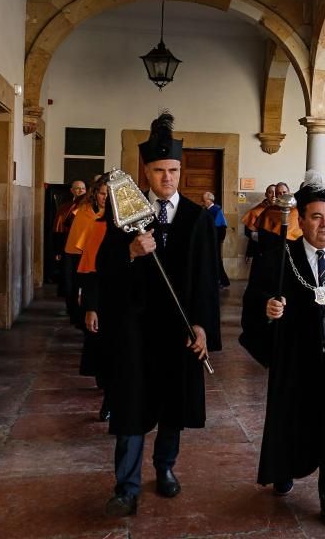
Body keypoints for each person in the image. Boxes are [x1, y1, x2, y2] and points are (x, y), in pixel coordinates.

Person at [96, 112, 221, 517]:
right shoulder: (125, 216)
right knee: (131, 406)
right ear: (145, 173)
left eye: (174, 170)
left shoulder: (196, 219)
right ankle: (126, 486)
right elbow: (104, 265)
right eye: (159, 170)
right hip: (135, 327)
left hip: (178, 328)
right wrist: (130, 252)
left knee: (173, 404)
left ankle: (165, 467)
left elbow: (207, 278)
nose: (168, 177)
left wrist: (201, 326)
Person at [239, 177, 325, 528]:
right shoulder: (277, 259)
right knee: (292, 420)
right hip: (296, 361)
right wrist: (267, 312)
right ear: (301, 220)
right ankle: (284, 467)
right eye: (316, 217)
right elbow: (252, 307)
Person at [69, 175, 110, 420]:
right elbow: (87, 267)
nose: (107, 198)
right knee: (102, 345)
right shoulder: (93, 222)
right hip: (102, 296)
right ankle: (108, 394)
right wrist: (90, 305)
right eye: (103, 193)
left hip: (128, 298)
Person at [53, 179, 87, 300]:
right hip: (67, 245)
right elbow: (58, 229)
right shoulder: (64, 208)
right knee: (68, 277)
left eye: (83, 189)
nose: (80, 191)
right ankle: (70, 304)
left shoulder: (89, 208)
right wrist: (57, 250)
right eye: (77, 188)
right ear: (72, 191)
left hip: (84, 247)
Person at [202, 191, 230, 288]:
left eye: (204, 200)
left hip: (214, 240)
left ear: (210, 200)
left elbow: (222, 227)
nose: (203, 201)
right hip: (207, 240)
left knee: (216, 260)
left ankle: (221, 280)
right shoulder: (205, 210)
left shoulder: (217, 210)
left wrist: (218, 240)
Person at [242, 184, 276, 264]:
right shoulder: (256, 211)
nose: (273, 195)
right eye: (270, 192)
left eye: (276, 192)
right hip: (260, 250)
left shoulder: (283, 211)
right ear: (266, 195)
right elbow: (248, 232)